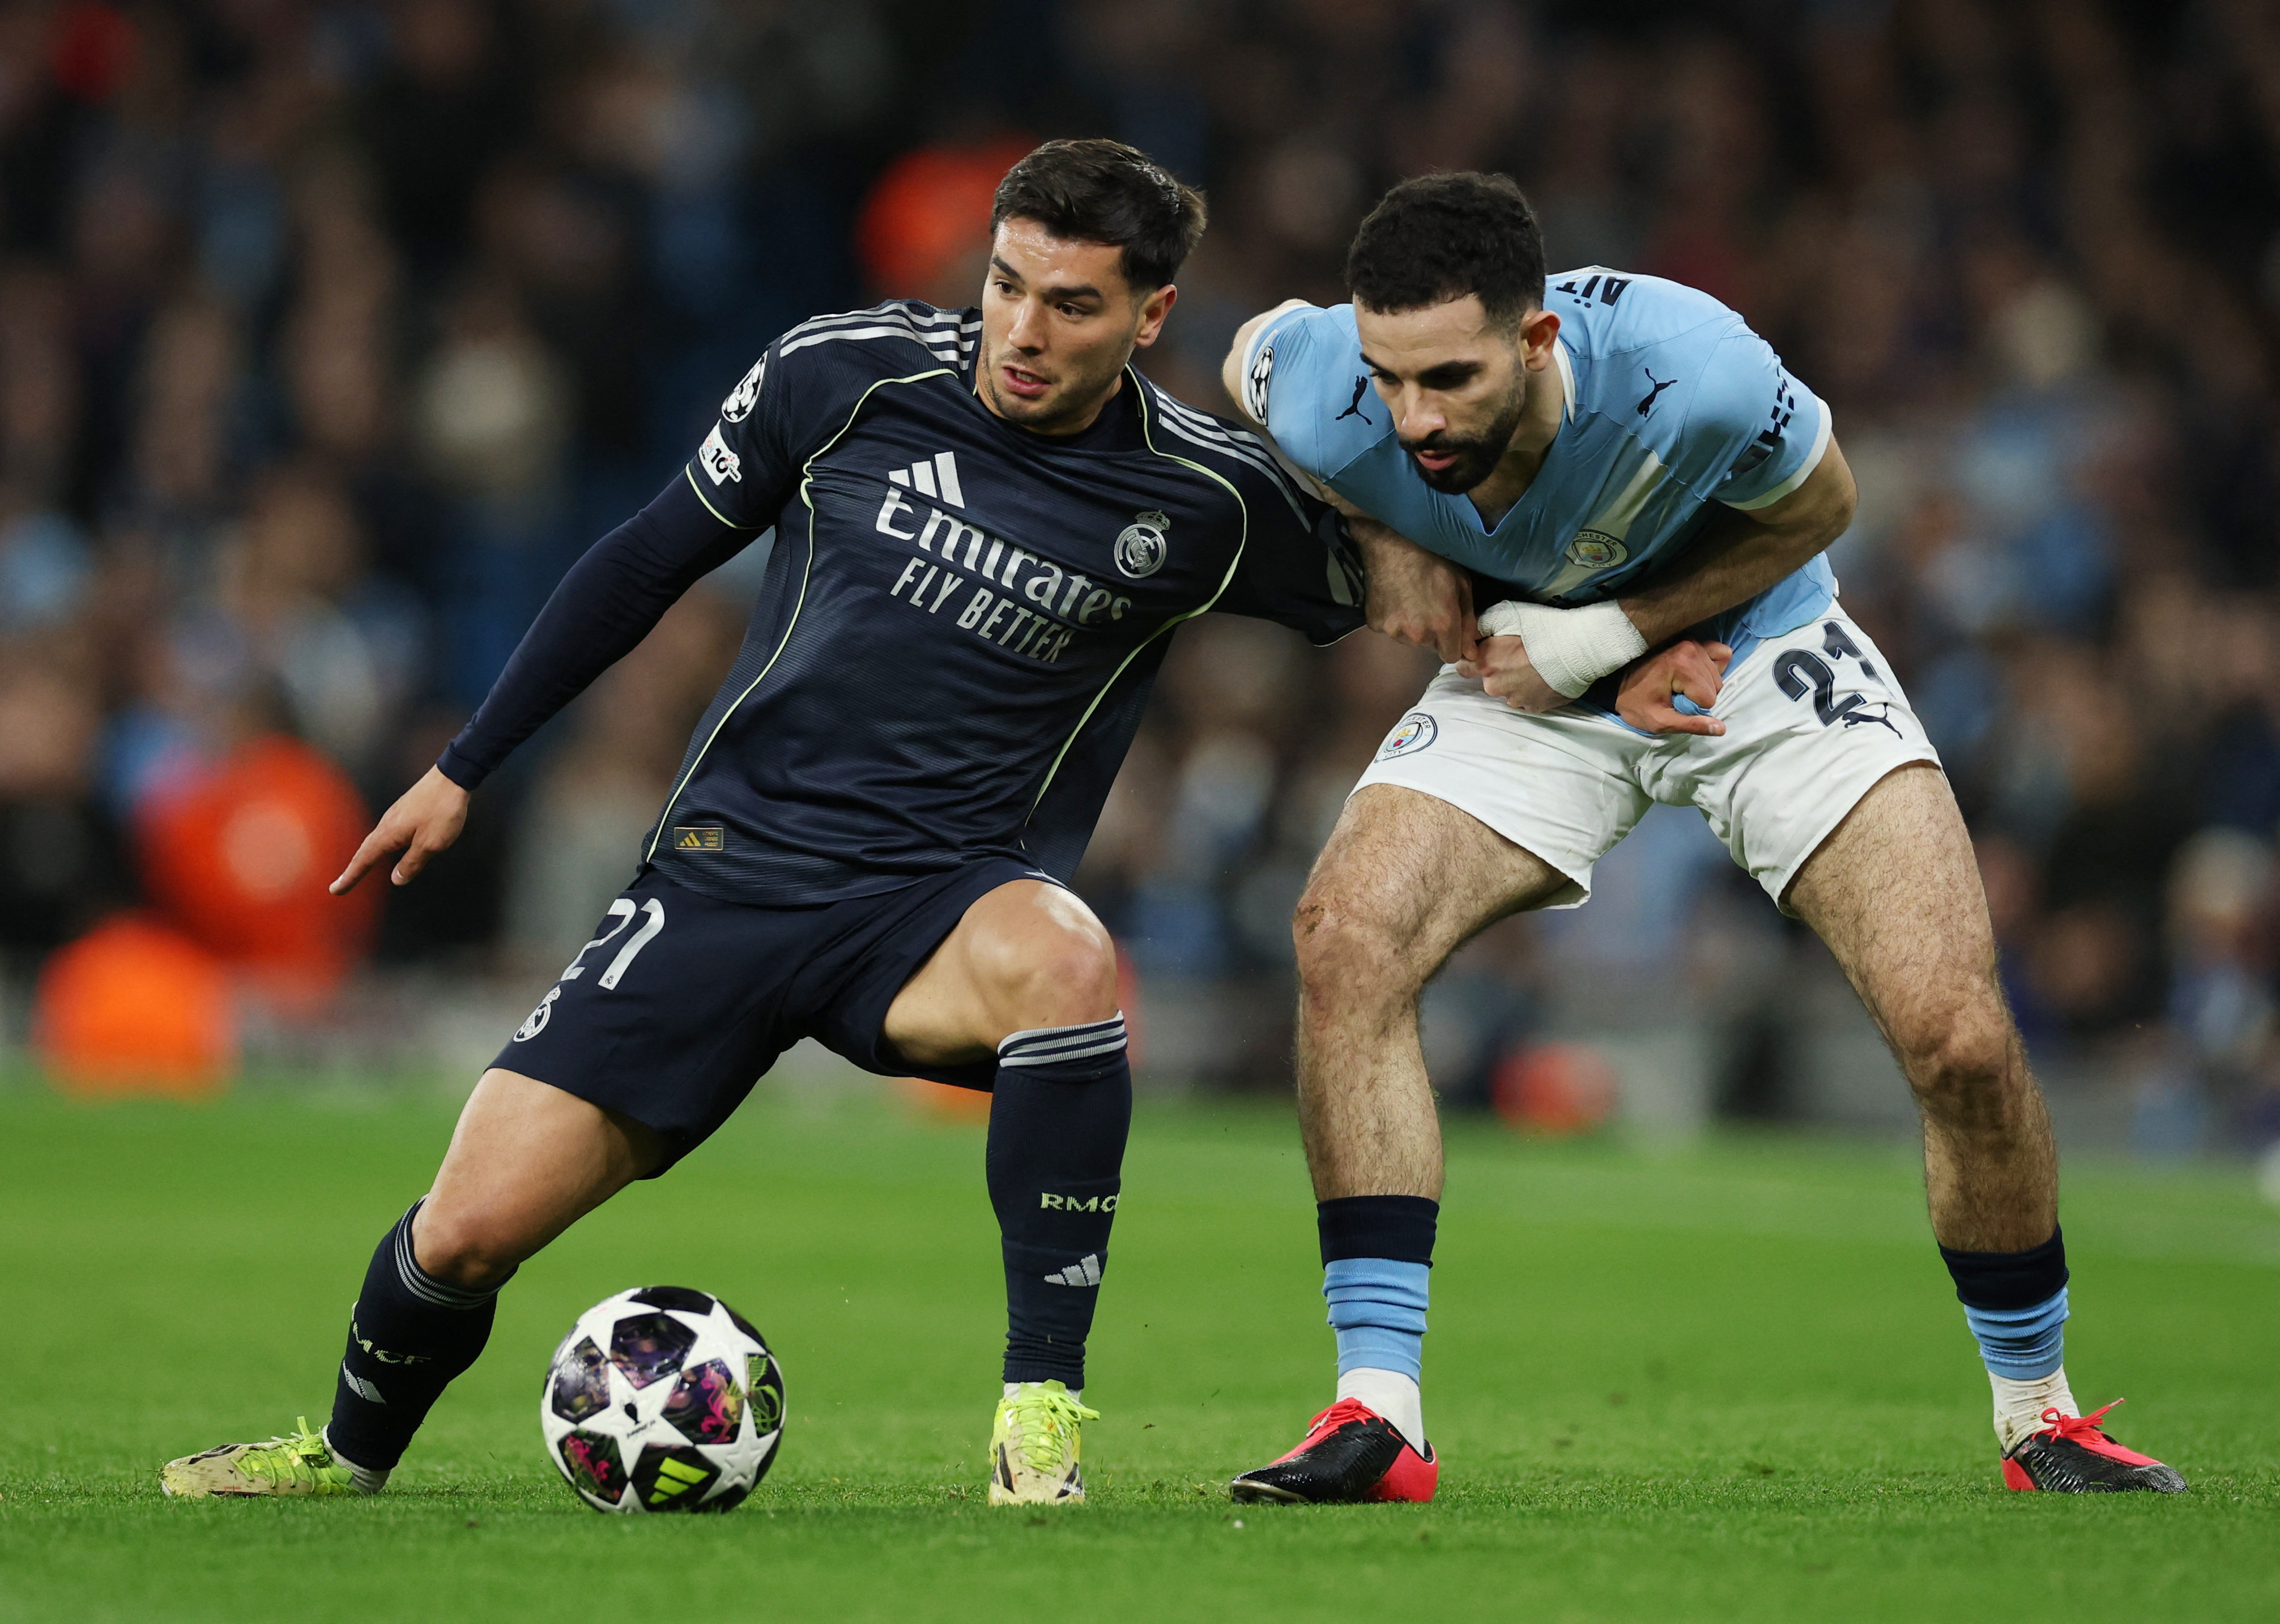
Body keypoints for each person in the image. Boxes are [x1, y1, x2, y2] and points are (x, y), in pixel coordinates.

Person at [155, 137, 1386, 1509]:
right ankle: (347, 1455)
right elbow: (645, 557)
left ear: (1153, 319)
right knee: (464, 1233)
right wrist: (464, 767)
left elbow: (1398, 582)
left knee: (1070, 957)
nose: (1025, 332)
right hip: (723, 883)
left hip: (934, 908)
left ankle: (1041, 1409)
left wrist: (1599, 617)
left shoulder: (1203, 498)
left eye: (1074, 305)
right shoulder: (843, 373)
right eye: (1007, 285)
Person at [1216, 172, 2187, 1503]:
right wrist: (1379, 532)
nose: (1414, 416)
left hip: (1759, 652)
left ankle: (2045, 1417)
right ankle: (1375, 1413)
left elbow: (1824, 499)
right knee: (1345, 938)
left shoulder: (1694, 367)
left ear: (1540, 340)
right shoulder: (1334, 381)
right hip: (1529, 684)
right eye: (1389, 381)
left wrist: (1611, 635)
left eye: (1447, 378)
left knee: (1957, 1035)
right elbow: (1245, 355)